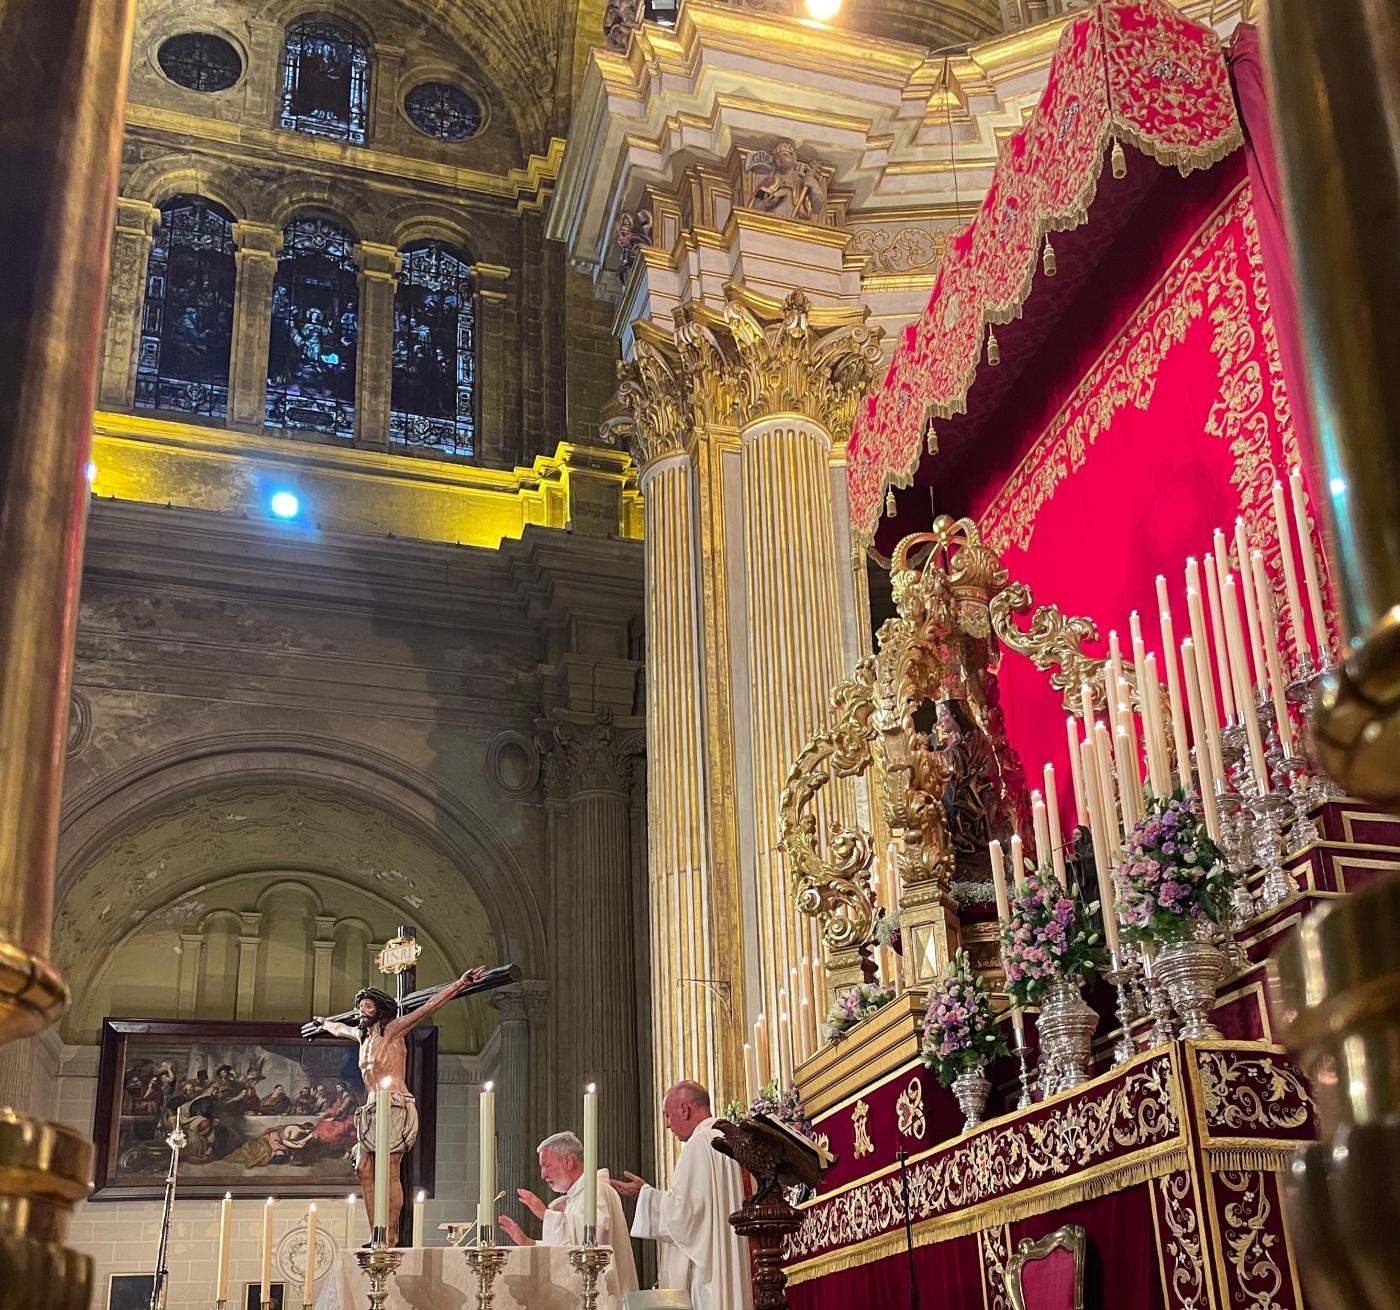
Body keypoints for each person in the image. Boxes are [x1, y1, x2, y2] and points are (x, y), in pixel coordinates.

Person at [311, 966, 485, 1246]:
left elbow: (428, 1007)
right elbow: (339, 1028)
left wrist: (460, 984)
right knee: (363, 1167)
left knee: (390, 1170)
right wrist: (323, 1023)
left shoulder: (392, 1031)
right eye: (360, 1007)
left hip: (394, 1105)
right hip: (370, 1109)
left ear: (379, 1010)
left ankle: (390, 1235)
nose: (362, 1011)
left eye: (368, 1006)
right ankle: (376, 1233)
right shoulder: (362, 1037)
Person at [612, 1082, 753, 1310]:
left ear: (685, 1110)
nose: (668, 1125)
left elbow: (684, 1217)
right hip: (737, 1260)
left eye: (667, 1115)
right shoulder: (734, 1140)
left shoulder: (698, 1146)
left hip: (710, 1271)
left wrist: (645, 1195)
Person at [499, 1133, 639, 1299]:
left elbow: (593, 1239)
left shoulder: (596, 1190)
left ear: (568, 1161)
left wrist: (545, 1214)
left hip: (602, 1297)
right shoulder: (578, 1196)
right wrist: (528, 1243)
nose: (543, 1174)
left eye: (546, 1165)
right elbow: (570, 1247)